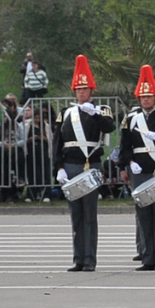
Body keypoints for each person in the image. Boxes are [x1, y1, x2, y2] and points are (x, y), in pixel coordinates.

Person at [55, 55, 116, 272]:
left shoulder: (102, 110)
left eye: (85, 89)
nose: (81, 92)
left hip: (91, 165)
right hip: (70, 165)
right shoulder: (65, 113)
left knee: (90, 215)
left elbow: (109, 127)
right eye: (78, 89)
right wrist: (58, 168)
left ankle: (90, 259)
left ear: (92, 91)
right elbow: (57, 143)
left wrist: (96, 114)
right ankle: (78, 258)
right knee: (76, 215)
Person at [116, 66, 155, 272]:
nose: (146, 100)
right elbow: (124, 144)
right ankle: (147, 257)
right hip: (139, 170)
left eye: (149, 96)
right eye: (143, 97)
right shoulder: (131, 118)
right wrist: (128, 162)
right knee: (143, 215)